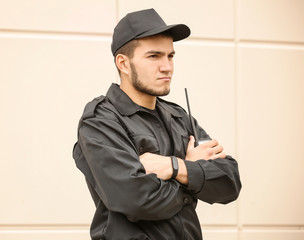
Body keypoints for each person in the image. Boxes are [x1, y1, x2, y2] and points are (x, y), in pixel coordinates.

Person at [73, 8, 241, 240]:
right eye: (154, 56)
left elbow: (228, 182)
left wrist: (175, 167)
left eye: (170, 56)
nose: (167, 67)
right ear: (123, 63)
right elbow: (137, 200)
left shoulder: (179, 117)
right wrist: (192, 177)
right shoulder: (101, 121)